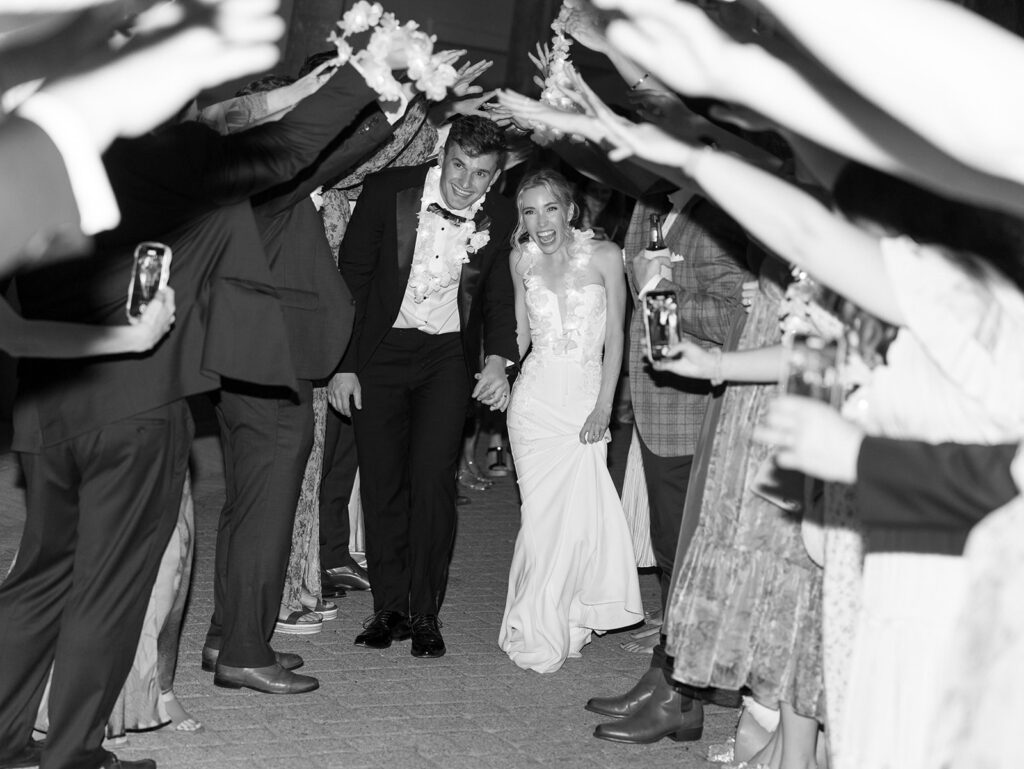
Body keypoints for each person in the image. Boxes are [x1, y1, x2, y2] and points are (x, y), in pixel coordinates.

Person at [329, 114, 518, 659]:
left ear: (495, 177)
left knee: (433, 482)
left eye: (481, 174)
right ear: (443, 156)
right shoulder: (390, 190)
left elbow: (500, 297)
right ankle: (387, 608)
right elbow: (354, 276)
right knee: (384, 480)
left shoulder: (500, 215)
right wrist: (343, 362)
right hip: (381, 352)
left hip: (446, 360)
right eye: (459, 165)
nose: (466, 183)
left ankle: (425, 611)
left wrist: (498, 360)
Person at [497, 168, 642, 673]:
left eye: (550, 208)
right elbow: (519, 332)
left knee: (579, 520)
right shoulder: (520, 260)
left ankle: (571, 617)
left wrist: (605, 405)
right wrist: (497, 369)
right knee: (540, 519)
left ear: (570, 210)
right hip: (533, 404)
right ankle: (535, 621)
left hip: (584, 398)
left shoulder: (606, 256)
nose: (540, 222)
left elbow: (618, 339)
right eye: (529, 211)